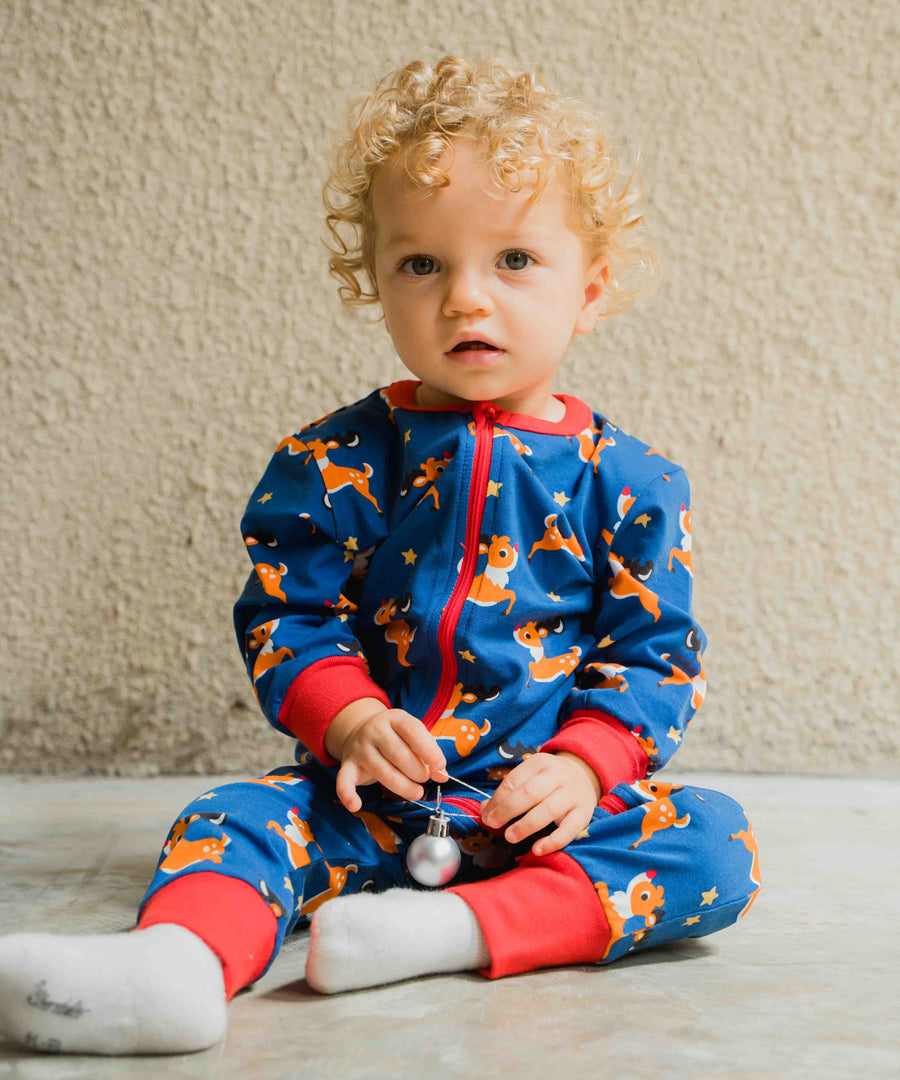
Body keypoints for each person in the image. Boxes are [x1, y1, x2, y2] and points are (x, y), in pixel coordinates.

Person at [0, 56, 761, 1057]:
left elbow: (654, 659)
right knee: (234, 818)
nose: (466, 301)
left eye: (515, 261)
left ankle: (447, 932)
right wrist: (349, 721)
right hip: (366, 798)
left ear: (592, 289)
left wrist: (585, 767)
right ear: (375, 282)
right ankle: (176, 967)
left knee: (714, 841)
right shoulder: (331, 460)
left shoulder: (632, 482)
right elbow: (288, 614)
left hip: (543, 822)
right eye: (422, 265)